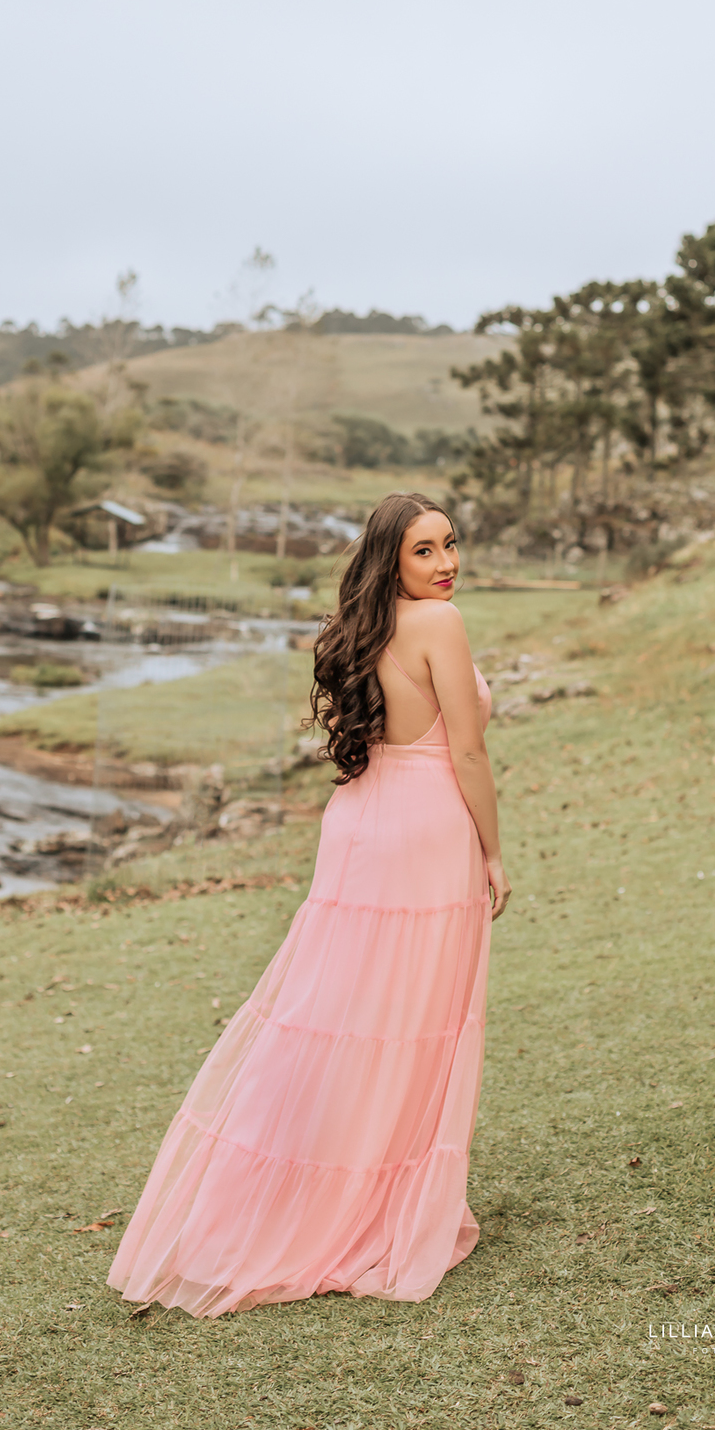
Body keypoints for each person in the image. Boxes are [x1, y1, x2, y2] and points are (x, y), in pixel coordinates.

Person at [106, 491, 510, 1316]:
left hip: (362, 819)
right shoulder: (442, 623)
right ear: (392, 560)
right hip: (426, 832)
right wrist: (495, 850)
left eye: (451, 546)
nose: (447, 564)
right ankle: (365, 1207)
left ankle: (304, 1196)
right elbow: (465, 748)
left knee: (336, 1014)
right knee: (408, 1022)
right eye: (426, 551)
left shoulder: (366, 626)